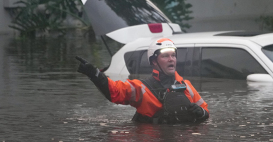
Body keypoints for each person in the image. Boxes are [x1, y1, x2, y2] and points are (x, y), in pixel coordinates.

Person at [76, 38, 209, 124]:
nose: (171, 59)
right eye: (165, 56)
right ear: (153, 62)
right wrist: (94, 73)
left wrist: (202, 113)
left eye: (173, 55)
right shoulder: (140, 88)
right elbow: (114, 91)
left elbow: (205, 111)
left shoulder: (187, 86)